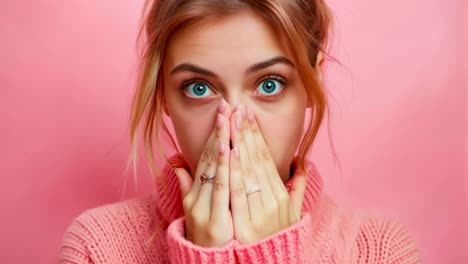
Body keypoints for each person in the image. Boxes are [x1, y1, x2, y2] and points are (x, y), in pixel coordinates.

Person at [58, 0, 422, 263]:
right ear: (163, 96)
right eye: (199, 87)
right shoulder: (96, 247)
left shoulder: (379, 251)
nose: (231, 127)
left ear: (313, 84)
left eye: (269, 84)